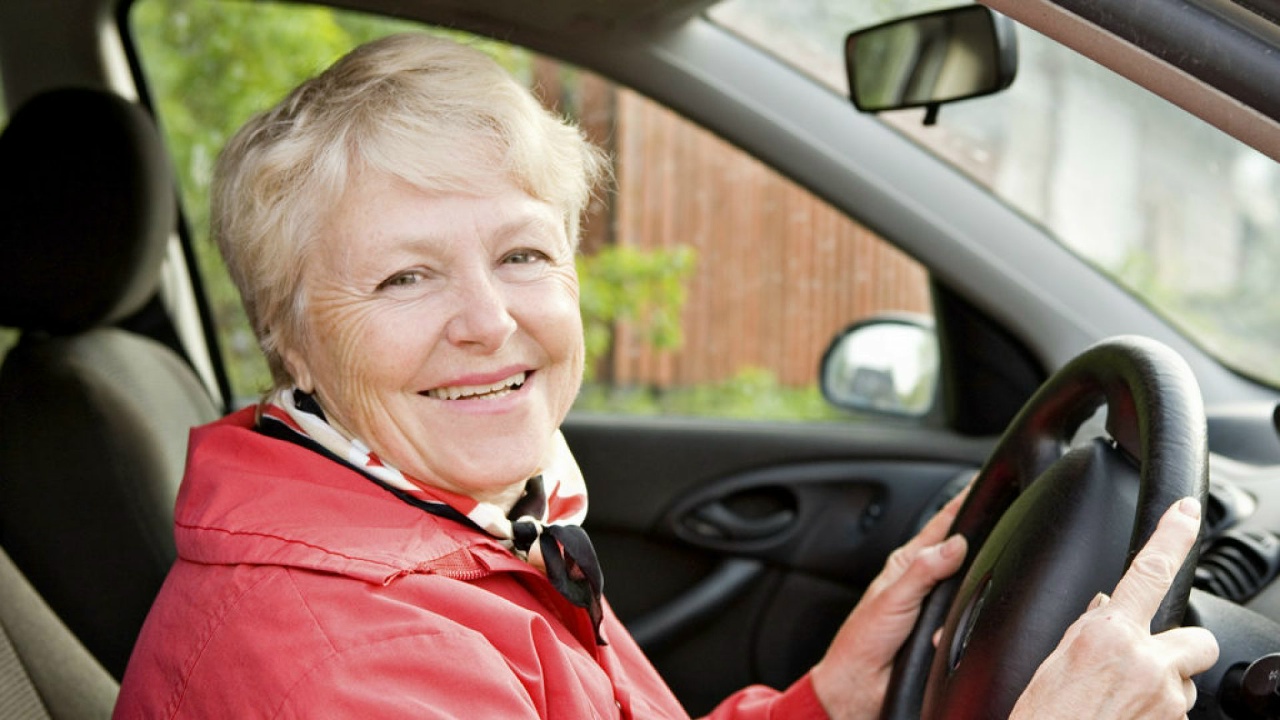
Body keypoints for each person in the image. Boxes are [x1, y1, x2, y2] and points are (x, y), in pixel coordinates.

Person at [114, 33, 1217, 718]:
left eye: (522, 255)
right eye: (405, 278)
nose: (489, 321)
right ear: (291, 343)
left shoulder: (465, 528)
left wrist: (823, 704)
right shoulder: (345, 660)